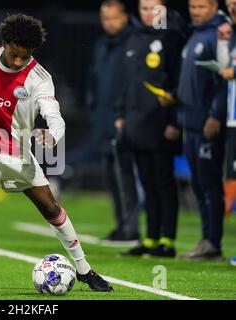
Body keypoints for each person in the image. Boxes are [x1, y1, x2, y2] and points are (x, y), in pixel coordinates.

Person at [0, 13, 113, 292]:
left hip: (14, 151)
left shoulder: (39, 78)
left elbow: (54, 115)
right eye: (15, 54)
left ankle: (85, 270)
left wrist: (52, 135)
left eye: (25, 57)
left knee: (50, 207)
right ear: (4, 43)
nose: (18, 61)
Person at [116, 0, 185, 258]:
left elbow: (179, 83)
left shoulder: (173, 38)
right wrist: (121, 115)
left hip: (160, 122)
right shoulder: (134, 38)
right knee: (146, 181)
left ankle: (168, 239)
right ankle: (150, 238)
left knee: (164, 182)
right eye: (144, 8)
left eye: (154, 8)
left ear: (164, 10)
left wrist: (174, 121)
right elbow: (127, 82)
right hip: (135, 123)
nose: (149, 13)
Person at [177, 0, 227, 261]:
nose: (195, 11)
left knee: (209, 185)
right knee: (198, 184)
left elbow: (223, 80)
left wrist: (215, 114)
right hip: (191, 122)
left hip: (207, 123)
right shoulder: (197, 33)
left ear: (214, 6)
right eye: (192, 7)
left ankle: (213, 243)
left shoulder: (220, 34)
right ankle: (206, 239)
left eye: (201, 7)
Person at [88, 0, 140, 242]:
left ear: (125, 17)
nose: (109, 22)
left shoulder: (134, 42)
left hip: (124, 121)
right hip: (104, 120)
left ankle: (131, 227)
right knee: (112, 176)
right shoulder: (102, 45)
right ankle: (122, 225)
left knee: (125, 175)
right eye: (105, 18)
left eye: (114, 17)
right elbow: (94, 79)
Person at [215, 0, 236, 266]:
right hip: (232, 120)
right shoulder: (230, 34)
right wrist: (222, 42)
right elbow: (223, 70)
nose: (232, 7)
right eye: (230, 4)